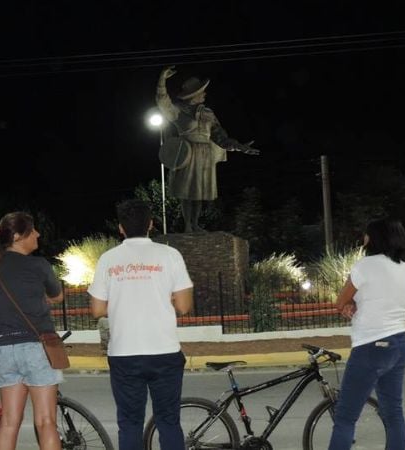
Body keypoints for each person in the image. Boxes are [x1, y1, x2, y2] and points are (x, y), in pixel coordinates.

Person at [89, 199, 194, 450]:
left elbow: (97, 310)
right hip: (165, 352)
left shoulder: (108, 259)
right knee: (168, 421)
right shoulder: (170, 255)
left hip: (125, 354)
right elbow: (184, 306)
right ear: (151, 224)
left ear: (121, 228)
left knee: (130, 423)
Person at [328, 218, 405, 450]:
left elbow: (340, 301)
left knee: (345, 417)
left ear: (375, 237)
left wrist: (350, 305)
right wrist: (357, 304)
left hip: (371, 345)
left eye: (367, 234)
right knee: (393, 413)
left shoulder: (366, 265)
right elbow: (386, 299)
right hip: (400, 343)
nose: (364, 239)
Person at [0, 212, 64, 450]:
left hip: (4, 351)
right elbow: (57, 295)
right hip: (37, 348)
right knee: (46, 421)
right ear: (18, 236)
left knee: (8, 422)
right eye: (33, 230)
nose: (38, 234)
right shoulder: (38, 265)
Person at [156, 65, 261, 232]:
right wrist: (162, 79)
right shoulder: (178, 112)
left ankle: (196, 224)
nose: (204, 94)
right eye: (201, 91)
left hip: (205, 154)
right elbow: (162, 102)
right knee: (186, 192)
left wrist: (239, 147)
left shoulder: (209, 114)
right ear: (194, 95)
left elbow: (220, 137)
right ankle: (188, 226)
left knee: (199, 193)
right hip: (186, 153)